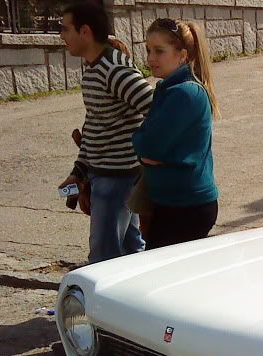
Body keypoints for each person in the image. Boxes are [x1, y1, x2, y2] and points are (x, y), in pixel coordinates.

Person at [59, 3, 153, 262]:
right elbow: (94, 125)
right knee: (131, 252)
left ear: (85, 31)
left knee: (103, 258)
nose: (62, 37)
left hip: (119, 180)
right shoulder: (93, 69)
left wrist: (145, 160)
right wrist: (78, 171)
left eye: (66, 29)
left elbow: (158, 110)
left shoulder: (114, 70)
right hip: (105, 177)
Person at [132, 18, 219, 249]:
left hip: (186, 206)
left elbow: (147, 144)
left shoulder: (185, 93)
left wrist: (144, 147)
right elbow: (148, 145)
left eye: (159, 51)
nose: (150, 58)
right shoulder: (169, 89)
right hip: (171, 202)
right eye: (148, 50)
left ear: (182, 55)